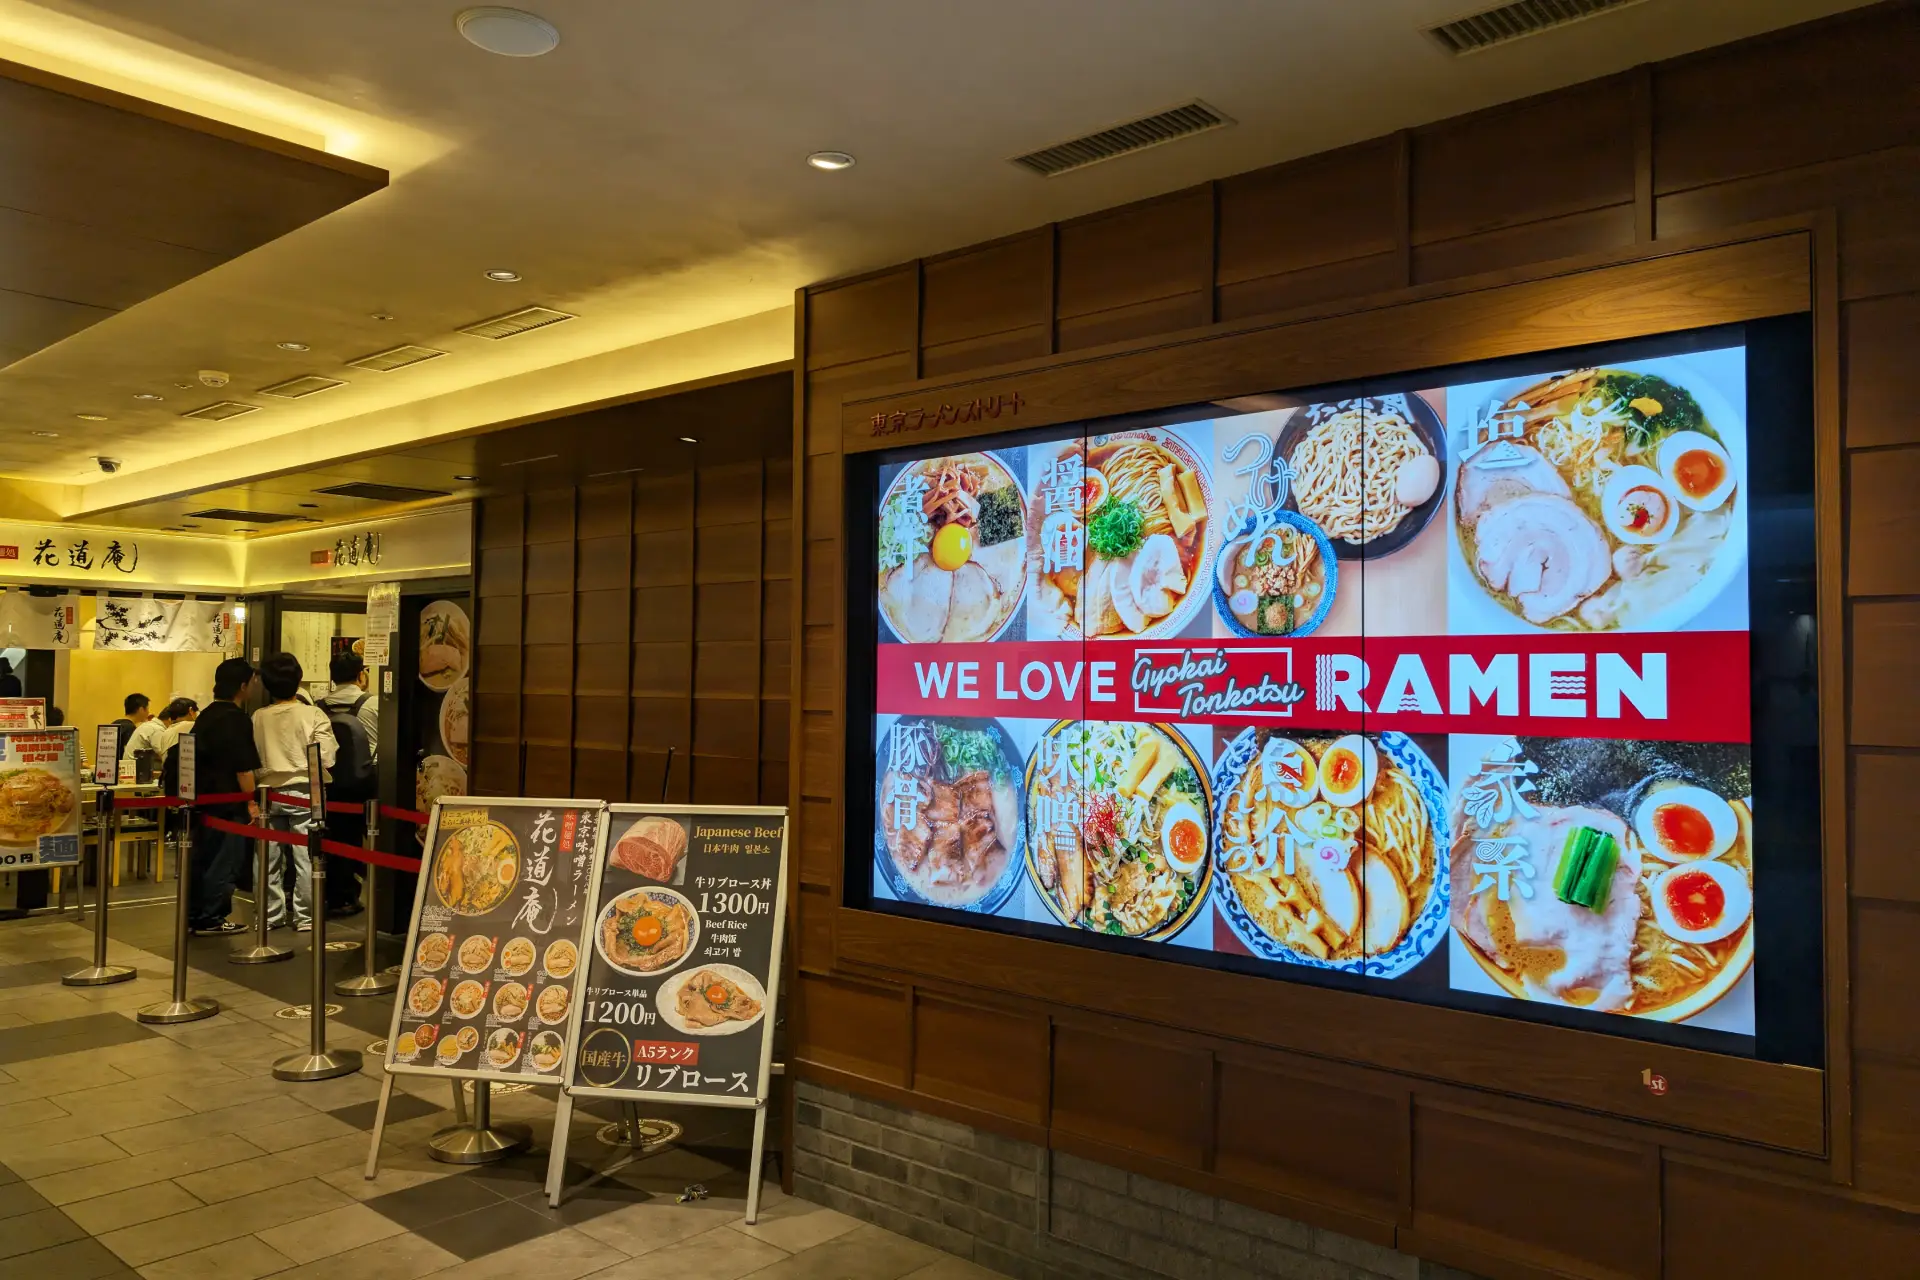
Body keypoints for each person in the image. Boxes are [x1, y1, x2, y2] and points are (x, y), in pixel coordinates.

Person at [251, 653, 337, 933]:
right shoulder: (313, 714)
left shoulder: (258, 717)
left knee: (267, 858)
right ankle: (306, 917)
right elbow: (327, 756)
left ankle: (269, 915)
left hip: (267, 791)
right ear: (298, 680)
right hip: (305, 790)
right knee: (306, 856)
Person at [186, 660, 260, 936]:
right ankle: (211, 917)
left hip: (203, 800)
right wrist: (251, 802)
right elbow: (243, 768)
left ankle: (198, 914)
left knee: (204, 858)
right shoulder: (236, 719)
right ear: (242, 686)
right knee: (224, 860)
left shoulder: (206, 715)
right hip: (227, 803)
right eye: (252, 682)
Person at [316, 652, 378, 916]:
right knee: (358, 837)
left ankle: (333, 893)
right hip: (363, 783)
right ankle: (351, 892)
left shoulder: (318, 707)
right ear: (360, 675)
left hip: (328, 783)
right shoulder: (373, 704)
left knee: (330, 836)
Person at [126, 696, 195, 768]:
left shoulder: (151, 725)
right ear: (169, 719)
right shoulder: (157, 730)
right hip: (135, 771)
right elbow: (165, 756)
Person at [110, 692, 150, 766]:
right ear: (141, 709)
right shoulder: (130, 728)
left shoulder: (114, 723)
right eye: (147, 709)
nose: (148, 712)